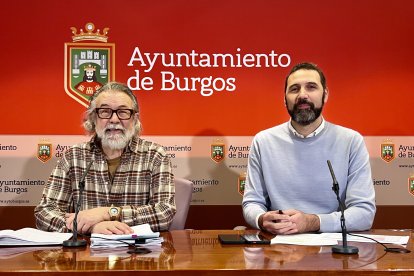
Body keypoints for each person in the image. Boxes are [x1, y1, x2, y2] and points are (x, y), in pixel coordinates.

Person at [242, 62, 376, 234]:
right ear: (285, 99)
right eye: (294, 89)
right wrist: (261, 219)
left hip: (332, 251)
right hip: (278, 248)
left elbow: (364, 213)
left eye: (311, 87)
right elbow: (251, 203)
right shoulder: (263, 141)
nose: (302, 95)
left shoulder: (350, 141)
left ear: (325, 95)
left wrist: (312, 222)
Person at [35, 82, 175, 234]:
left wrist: (108, 213)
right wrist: (91, 228)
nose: (114, 120)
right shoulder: (73, 156)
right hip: (85, 254)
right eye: (105, 111)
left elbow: (164, 213)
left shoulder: (155, 155)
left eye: (123, 112)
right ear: (93, 118)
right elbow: (44, 212)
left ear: (134, 119)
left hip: (138, 253)